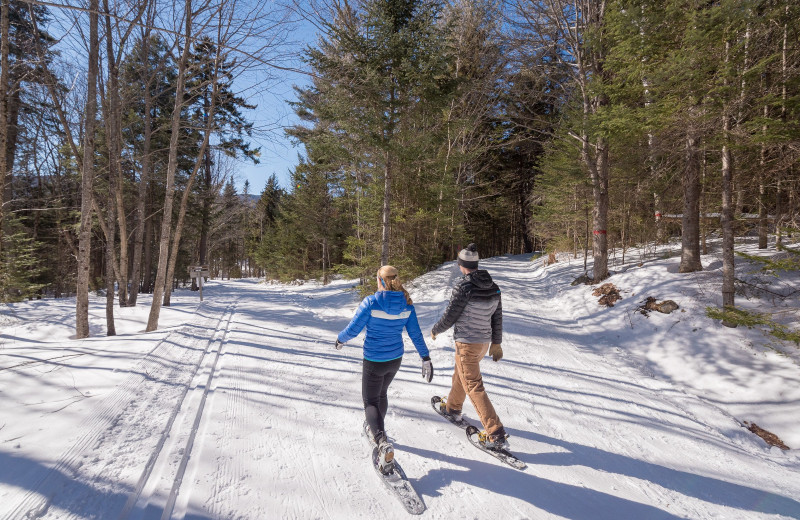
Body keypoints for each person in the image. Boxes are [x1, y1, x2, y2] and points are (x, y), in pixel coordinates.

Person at [336, 265, 433, 474]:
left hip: (374, 360)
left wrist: (339, 339)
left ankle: (381, 440)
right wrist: (425, 357)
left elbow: (353, 329)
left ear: (380, 280)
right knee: (381, 394)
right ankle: (378, 428)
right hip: (395, 360)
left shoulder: (372, 302)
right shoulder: (406, 304)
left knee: (370, 401)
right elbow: (415, 334)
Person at [431, 243, 508, 450]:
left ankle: (495, 433)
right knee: (461, 374)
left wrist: (436, 329)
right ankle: (452, 408)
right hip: (482, 344)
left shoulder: (463, 287)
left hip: (467, 343)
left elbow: (450, 316)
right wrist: (496, 342)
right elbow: (497, 317)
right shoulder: (493, 287)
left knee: (473, 385)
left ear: (461, 265)